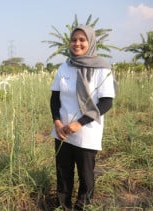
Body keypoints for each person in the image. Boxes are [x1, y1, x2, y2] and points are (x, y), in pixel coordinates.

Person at [50, 25, 116, 210]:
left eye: (82, 40)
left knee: (86, 175)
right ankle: (63, 205)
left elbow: (106, 102)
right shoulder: (64, 67)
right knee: (63, 172)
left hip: (87, 131)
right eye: (73, 40)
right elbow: (55, 98)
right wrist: (57, 122)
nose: (77, 43)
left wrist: (79, 124)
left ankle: (83, 206)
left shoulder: (102, 68)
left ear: (91, 42)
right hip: (62, 130)